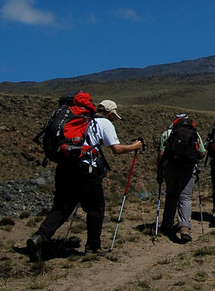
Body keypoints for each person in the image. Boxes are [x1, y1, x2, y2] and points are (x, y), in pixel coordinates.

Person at [27, 99, 144, 260]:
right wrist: (134, 146)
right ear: (110, 113)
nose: (113, 119)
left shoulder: (82, 120)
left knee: (62, 206)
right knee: (96, 207)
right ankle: (93, 246)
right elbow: (116, 149)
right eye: (113, 117)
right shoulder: (104, 123)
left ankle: (39, 237)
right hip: (86, 168)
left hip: (65, 166)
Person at [157, 114, 206, 243]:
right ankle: (184, 228)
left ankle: (166, 225)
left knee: (171, 194)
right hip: (188, 169)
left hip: (170, 168)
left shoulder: (167, 134)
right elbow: (202, 153)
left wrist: (160, 173)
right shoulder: (195, 133)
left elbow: (161, 155)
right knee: (185, 197)